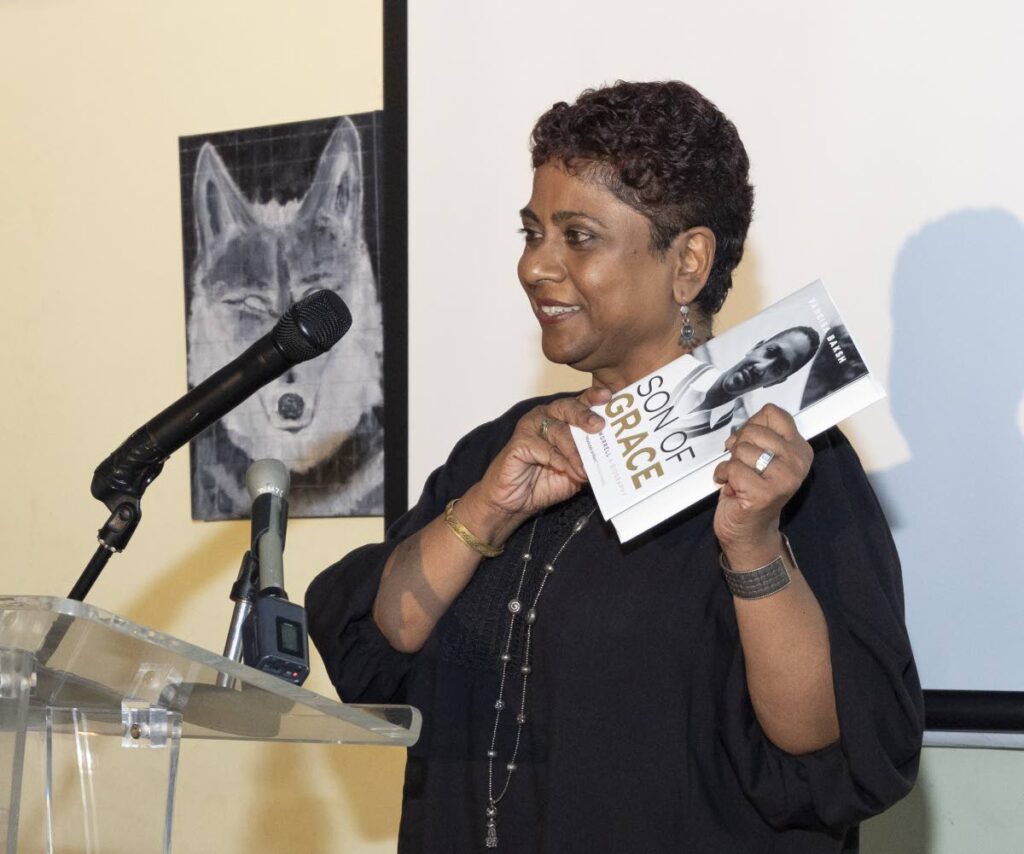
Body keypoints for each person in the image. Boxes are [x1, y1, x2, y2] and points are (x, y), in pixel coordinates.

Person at [306, 81, 923, 853]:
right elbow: (380, 645)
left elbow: (828, 748)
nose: (537, 266)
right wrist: (486, 512)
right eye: (532, 233)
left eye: (578, 236)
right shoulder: (501, 447)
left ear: (688, 262)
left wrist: (754, 544)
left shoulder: (794, 464)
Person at [670, 325, 821, 440]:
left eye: (778, 368)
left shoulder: (732, 434)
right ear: (755, 347)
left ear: (776, 382)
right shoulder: (682, 357)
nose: (761, 368)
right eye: (770, 351)